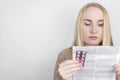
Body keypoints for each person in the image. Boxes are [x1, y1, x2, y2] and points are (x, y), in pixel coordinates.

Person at [54, 2, 120, 80]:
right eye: (87, 23)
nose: (94, 30)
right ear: (79, 27)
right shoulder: (65, 55)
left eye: (101, 24)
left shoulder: (118, 57)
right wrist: (67, 78)